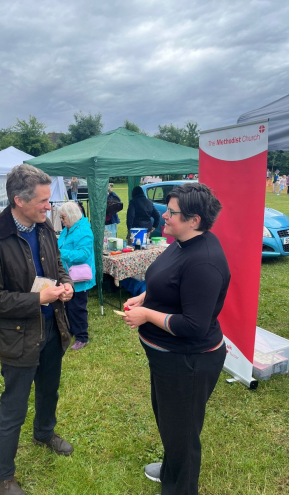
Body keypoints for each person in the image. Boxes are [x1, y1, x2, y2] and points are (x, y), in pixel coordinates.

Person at [123, 183, 230, 495]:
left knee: (182, 432)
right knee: (171, 423)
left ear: (193, 220)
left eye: (171, 213)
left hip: (189, 361)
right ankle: (171, 468)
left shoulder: (204, 261)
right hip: (167, 359)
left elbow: (195, 325)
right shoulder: (181, 242)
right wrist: (144, 298)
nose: (164, 216)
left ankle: (179, 487)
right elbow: (165, 284)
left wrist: (147, 316)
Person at [0, 164, 74, 495]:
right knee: (13, 408)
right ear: (19, 200)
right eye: (44, 201)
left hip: (52, 328)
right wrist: (37, 300)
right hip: (18, 335)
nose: (50, 206)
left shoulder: (44, 227)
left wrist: (65, 283)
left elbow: (56, 265)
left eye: (50, 200)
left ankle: (44, 433)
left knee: (49, 391)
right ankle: (4, 475)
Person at [58, 201, 96, 350]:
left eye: (63, 217)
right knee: (68, 306)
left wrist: (61, 253)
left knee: (77, 308)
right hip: (68, 275)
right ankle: (71, 330)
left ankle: (82, 337)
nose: (61, 220)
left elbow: (83, 254)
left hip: (79, 277)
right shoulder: (67, 229)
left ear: (72, 216)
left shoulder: (84, 231)